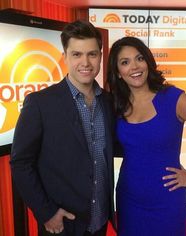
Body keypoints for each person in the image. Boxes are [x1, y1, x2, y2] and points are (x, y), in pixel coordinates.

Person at [107, 36, 186, 236]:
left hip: (167, 202)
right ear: (118, 73)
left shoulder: (173, 98)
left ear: (148, 62)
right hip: (128, 200)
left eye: (139, 58)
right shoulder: (117, 104)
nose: (134, 66)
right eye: (125, 62)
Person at [10, 20, 116, 236]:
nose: (85, 62)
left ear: (100, 56)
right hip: (63, 224)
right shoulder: (40, 103)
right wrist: (46, 213)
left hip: (100, 220)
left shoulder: (109, 102)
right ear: (65, 56)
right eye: (77, 54)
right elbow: (21, 164)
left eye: (92, 54)